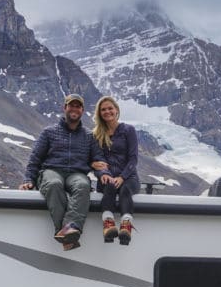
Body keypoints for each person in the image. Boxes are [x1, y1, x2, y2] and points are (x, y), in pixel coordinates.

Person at [19, 94, 105, 251]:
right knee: (53, 184)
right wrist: (28, 179)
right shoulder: (49, 132)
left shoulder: (89, 136)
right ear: (64, 108)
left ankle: (67, 231)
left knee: (82, 185)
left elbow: (99, 159)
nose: (74, 109)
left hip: (77, 173)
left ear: (82, 110)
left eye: (78, 106)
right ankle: (69, 234)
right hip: (52, 170)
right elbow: (35, 158)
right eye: (71, 105)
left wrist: (102, 171)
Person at [91, 95, 140, 245]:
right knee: (110, 186)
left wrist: (122, 177)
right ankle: (108, 225)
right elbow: (96, 160)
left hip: (129, 177)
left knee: (125, 189)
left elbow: (133, 159)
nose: (107, 112)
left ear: (116, 110)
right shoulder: (96, 134)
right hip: (106, 178)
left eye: (110, 108)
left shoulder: (128, 130)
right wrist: (102, 173)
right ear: (99, 113)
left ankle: (126, 227)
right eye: (103, 109)